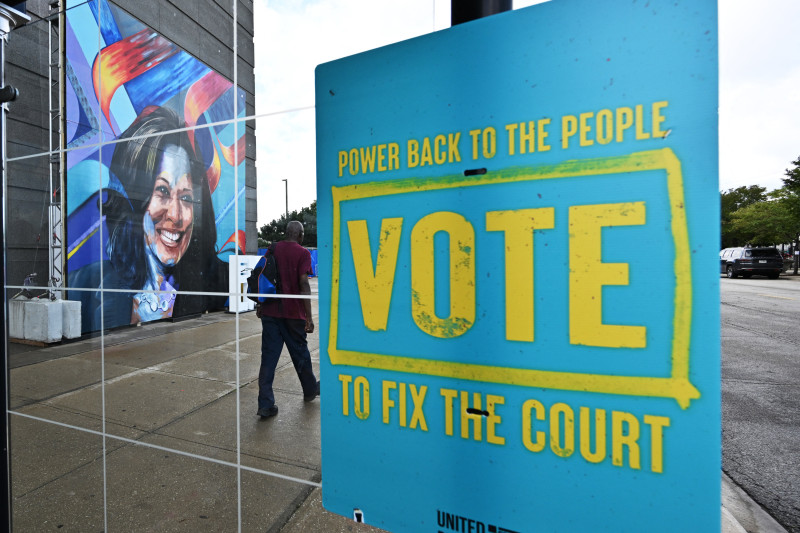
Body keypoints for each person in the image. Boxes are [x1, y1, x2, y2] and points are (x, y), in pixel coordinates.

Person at [68, 106, 227, 332]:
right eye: (162, 191)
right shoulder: (82, 284)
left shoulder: (216, 284)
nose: (176, 215)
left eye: (186, 197)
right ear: (133, 199)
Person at [256, 220, 319, 418]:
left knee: (268, 359)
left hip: (271, 314)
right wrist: (309, 317)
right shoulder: (303, 253)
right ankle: (309, 391)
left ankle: (265, 405)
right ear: (300, 235)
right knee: (301, 355)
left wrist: (260, 304)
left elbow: (262, 278)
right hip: (293, 316)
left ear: (286, 233)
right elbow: (303, 284)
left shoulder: (272, 249)